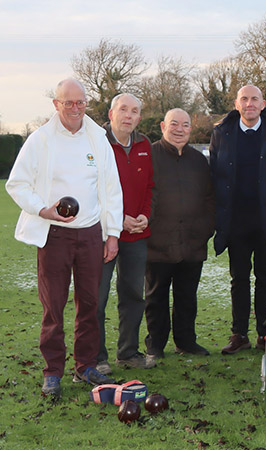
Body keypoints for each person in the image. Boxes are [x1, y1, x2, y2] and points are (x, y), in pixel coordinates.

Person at [5, 78, 121, 398]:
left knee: (90, 304)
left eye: (80, 102)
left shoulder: (98, 138)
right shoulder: (40, 139)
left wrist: (112, 235)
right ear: (56, 104)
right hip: (54, 236)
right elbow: (17, 184)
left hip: (90, 234)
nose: (75, 108)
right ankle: (53, 371)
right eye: (68, 103)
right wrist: (43, 210)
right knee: (53, 308)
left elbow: (112, 190)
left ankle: (85, 365)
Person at [209, 85, 266, 354]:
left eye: (254, 99)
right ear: (237, 104)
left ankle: (264, 332)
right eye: (244, 99)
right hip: (235, 219)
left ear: (263, 104)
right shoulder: (222, 132)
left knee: (265, 277)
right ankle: (239, 334)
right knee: (238, 278)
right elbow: (214, 174)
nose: (249, 104)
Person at [144, 108, 215, 358]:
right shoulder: (150, 155)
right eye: (174, 124)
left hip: (192, 243)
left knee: (187, 297)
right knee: (156, 297)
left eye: (185, 125)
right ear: (163, 125)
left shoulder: (198, 160)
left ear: (190, 129)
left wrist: (206, 229)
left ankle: (186, 341)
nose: (179, 130)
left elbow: (209, 198)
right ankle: (156, 343)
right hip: (157, 242)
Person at [95, 93, 155, 375]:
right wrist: (119, 220)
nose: (128, 115)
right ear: (111, 114)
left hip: (136, 235)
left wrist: (145, 215)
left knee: (133, 294)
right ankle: (95, 357)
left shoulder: (144, 145)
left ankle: (128, 352)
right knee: (97, 296)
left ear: (139, 118)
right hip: (103, 233)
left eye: (134, 111)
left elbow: (150, 188)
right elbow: (91, 191)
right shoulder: (96, 143)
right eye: (123, 110)